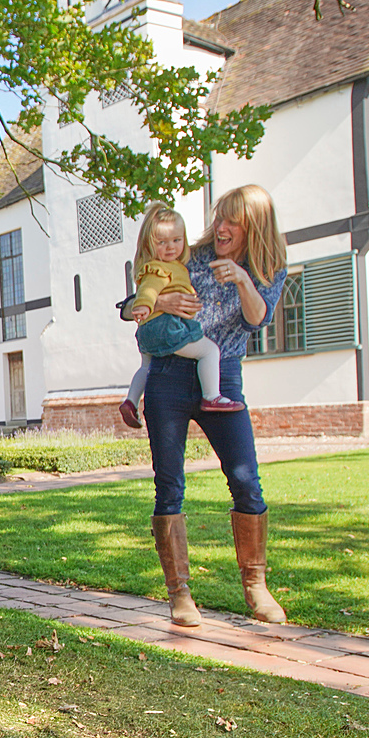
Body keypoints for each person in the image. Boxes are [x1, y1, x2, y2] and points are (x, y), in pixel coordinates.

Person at [125, 185, 289, 629]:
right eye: (219, 218)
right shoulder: (187, 255)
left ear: (252, 227)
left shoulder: (269, 267)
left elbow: (258, 317)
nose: (221, 228)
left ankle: (256, 586)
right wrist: (160, 301)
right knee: (170, 484)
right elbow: (130, 304)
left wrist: (241, 277)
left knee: (245, 477)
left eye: (232, 221)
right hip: (169, 375)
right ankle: (180, 594)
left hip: (224, 373)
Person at [118, 203, 247, 429]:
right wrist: (146, 305)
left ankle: (130, 401)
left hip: (148, 332)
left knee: (146, 367)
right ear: (150, 243)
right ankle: (212, 396)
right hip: (166, 327)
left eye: (177, 241)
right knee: (209, 351)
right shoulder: (161, 268)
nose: (171, 247)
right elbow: (149, 290)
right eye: (162, 242)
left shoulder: (152, 266)